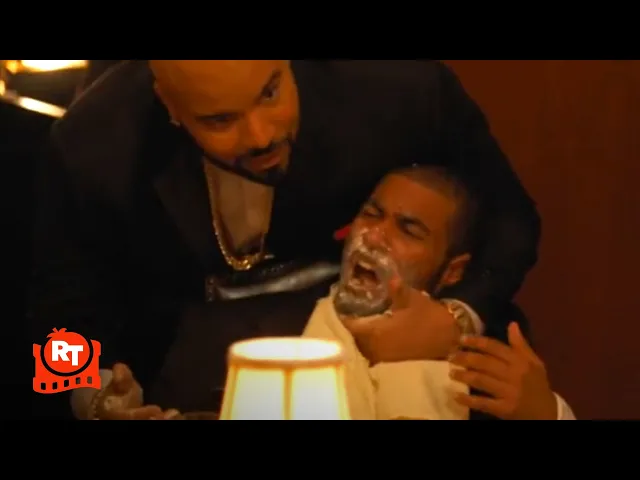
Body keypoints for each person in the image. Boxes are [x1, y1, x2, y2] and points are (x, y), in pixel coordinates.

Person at [29, 60, 541, 420]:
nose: (260, 136)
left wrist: (455, 318)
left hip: (385, 347)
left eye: (270, 92)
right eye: (219, 119)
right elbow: (59, 318)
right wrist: (91, 395)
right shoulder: (95, 146)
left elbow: (511, 217)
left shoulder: (396, 86)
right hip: (184, 379)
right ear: (169, 103)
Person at [302, 165, 574, 420]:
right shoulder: (285, 324)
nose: (373, 237)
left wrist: (547, 413)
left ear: (452, 271)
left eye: (409, 231)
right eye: (371, 215)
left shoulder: (483, 369)